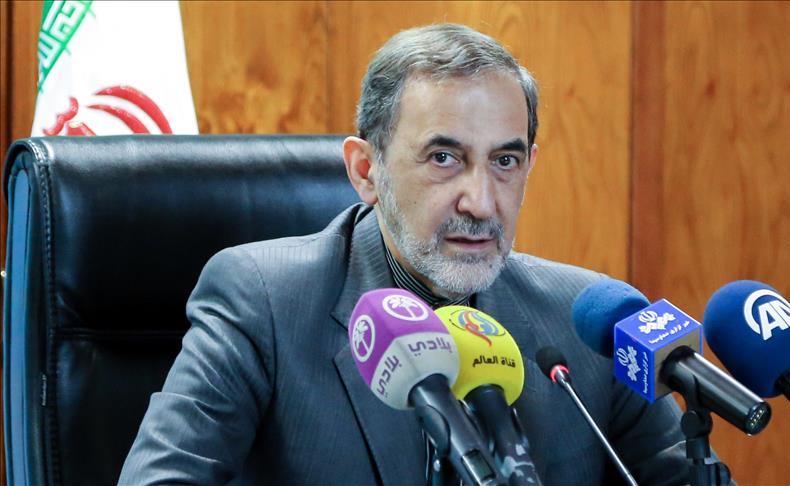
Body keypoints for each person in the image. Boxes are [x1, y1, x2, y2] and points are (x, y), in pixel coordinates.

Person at [120, 23, 690, 485]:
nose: (481, 201)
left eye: (505, 162)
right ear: (366, 170)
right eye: (444, 158)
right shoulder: (264, 302)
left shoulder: (589, 326)